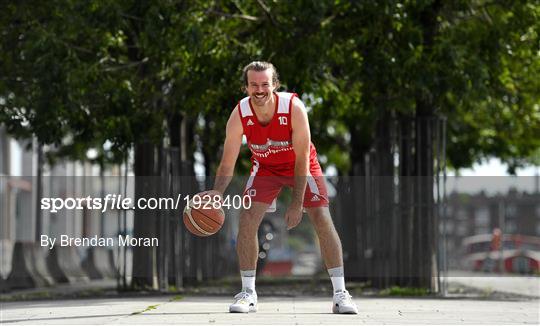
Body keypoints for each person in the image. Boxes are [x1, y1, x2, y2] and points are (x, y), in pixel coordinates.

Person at [203, 61, 358, 314]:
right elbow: (227, 161)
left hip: (301, 166)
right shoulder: (240, 114)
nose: (260, 89)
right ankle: (248, 293)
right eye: (254, 85)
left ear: (275, 85)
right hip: (265, 168)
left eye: (265, 84)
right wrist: (217, 192)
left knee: (321, 216)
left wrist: (297, 203)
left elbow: (301, 159)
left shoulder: (293, 108)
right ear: (246, 87)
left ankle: (341, 294)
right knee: (248, 218)